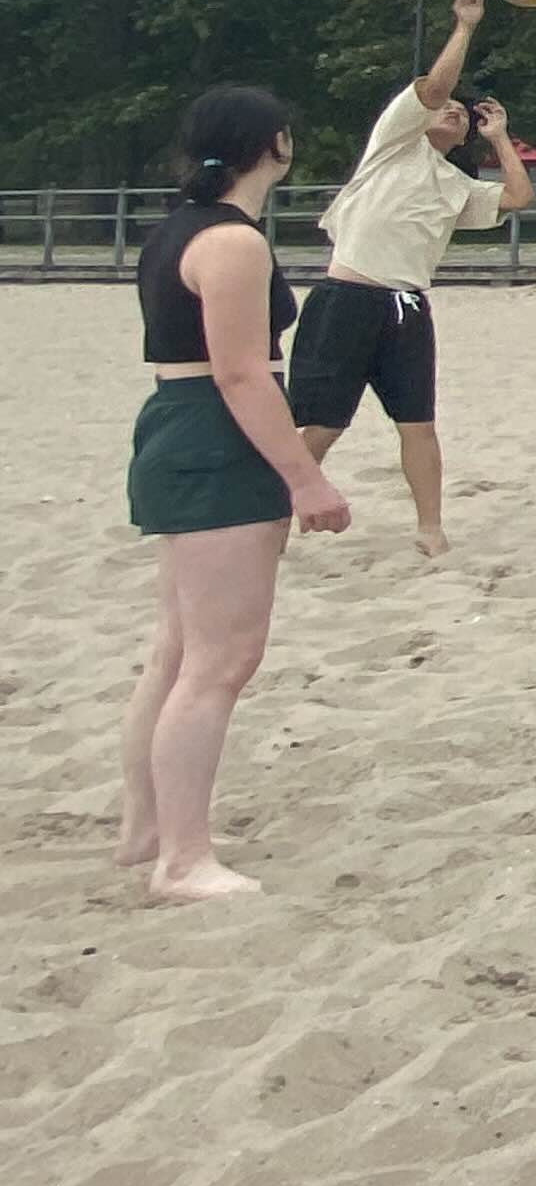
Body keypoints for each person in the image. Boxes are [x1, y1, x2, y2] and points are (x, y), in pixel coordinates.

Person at [118, 88, 352, 904]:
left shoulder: (179, 228)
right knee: (220, 660)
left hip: (181, 427)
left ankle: (148, 830)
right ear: (275, 144)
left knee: (178, 650)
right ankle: (182, 859)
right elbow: (242, 372)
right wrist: (305, 477)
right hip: (215, 438)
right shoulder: (231, 241)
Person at [285, 0, 535, 556]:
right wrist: (464, 26)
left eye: (462, 114)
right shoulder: (395, 143)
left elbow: (518, 197)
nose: (453, 111)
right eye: (445, 109)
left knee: (418, 425)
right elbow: (435, 86)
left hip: (406, 307)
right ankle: (268, 520)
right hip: (347, 299)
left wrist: (500, 138)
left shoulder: (456, 183)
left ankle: (430, 529)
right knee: (323, 425)